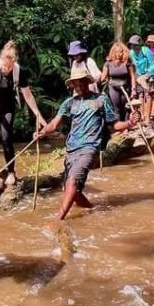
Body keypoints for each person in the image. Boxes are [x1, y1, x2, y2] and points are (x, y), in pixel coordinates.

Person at [35, 68, 139, 218]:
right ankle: (92, 209)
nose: (79, 86)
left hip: (90, 147)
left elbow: (114, 124)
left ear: (87, 82)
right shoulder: (69, 103)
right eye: (76, 84)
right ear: (72, 85)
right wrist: (43, 131)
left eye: (82, 82)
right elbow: (54, 125)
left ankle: (59, 218)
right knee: (72, 191)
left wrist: (129, 123)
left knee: (72, 182)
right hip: (71, 149)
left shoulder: (101, 100)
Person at [0, 41, 46, 185]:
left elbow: (27, 95)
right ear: (1, 61)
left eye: (10, 67)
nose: (7, 70)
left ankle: (11, 172)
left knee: (6, 137)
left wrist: (37, 114)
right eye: (5, 66)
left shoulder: (18, 71)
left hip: (8, 106)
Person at [128, 34, 154, 132]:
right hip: (139, 76)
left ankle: (147, 118)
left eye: (136, 45)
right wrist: (136, 79)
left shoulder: (146, 51)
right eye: (132, 45)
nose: (134, 47)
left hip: (149, 74)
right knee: (140, 95)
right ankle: (141, 117)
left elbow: (153, 65)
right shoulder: (131, 53)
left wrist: (147, 76)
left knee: (148, 95)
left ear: (139, 45)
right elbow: (134, 67)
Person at [100, 42, 134, 121]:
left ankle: (127, 126)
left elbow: (132, 76)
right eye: (117, 52)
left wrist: (133, 88)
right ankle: (119, 126)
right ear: (113, 53)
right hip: (113, 87)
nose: (119, 54)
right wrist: (95, 80)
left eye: (120, 52)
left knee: (126, 107)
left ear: (124, 52)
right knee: (116, 108)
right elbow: (103, 76)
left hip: (125, 87)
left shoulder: (127, 63)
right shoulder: (108, 63)